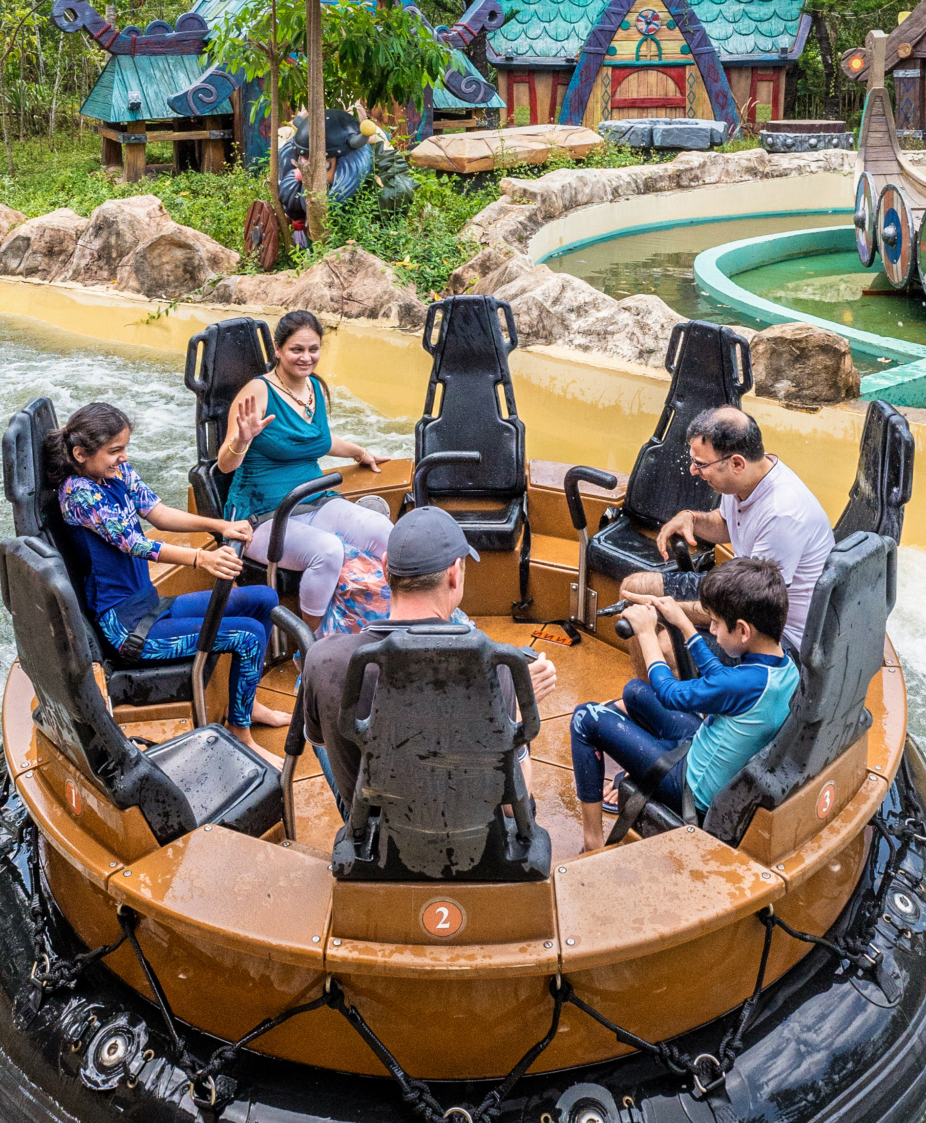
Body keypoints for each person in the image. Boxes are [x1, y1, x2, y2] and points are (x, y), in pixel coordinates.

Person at [298, 507, 558, 816]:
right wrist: (512, 712)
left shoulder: (323, 659)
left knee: (320, 731)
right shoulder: (497, 668)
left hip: (369, 844)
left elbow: (333, 745)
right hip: (473, 846)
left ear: (385, 568)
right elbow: (515, 809)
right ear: (453, 573)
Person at [48, 401, 287, 734]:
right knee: (248, 635)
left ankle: (246, 704)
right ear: (80, 454)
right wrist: (201, 558)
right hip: (126, 629)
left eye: (125, 448)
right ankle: (240, 731)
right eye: (115, 450)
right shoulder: (79, 495)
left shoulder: (116, 474)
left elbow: (157, 513)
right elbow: (134, 543)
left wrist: (219, 525)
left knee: (262, 598)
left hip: (150, 605)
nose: (124, 457)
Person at [570, 556, 798, 854]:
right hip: (705, 749)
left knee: (585, 717)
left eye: (716, 623)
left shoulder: (742, 684)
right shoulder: (783, 666)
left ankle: (593, 842)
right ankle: (638, 764)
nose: (712, 630)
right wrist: (681, 622)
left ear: (743, 631)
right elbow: (721, 678)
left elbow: (669, 693)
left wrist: (647, 633)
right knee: (635, 691)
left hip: (690, 787)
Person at [217, 309, 393, 620]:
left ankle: (399, 619)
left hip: (314, 501)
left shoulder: (314, 388)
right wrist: (242, 440)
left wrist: (358, 452)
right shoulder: (258, 392)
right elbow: (225, 465)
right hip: (261, 518)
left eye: (313, 349)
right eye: (296, 349)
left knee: (383, 531)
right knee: (327, 551)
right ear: (278, 350)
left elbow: (319, 440)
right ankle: (311, 639)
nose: (306, 357)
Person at [617, 404, 833, 652]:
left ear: (737, 463)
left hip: (775, 634)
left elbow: (751, 608)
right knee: (632, 589)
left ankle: (662, 687)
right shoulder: (743, 480)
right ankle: (658, 688)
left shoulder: (782, 515)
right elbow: (730, 525)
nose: (693, 471)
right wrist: (692, 519)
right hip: (740, 591)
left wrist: (665, 610)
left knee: (664, 647)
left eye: (700, 464)